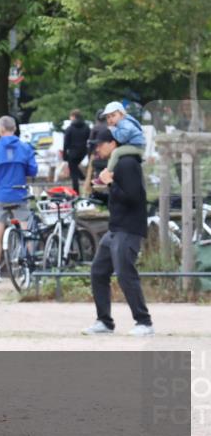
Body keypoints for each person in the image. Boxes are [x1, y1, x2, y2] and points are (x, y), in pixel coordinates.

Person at [83, 129, 153, 336]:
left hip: (129, 229)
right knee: (98, 272)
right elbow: (118, 197)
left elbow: (133, 198)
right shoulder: (116, 164)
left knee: (125, 274)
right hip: (115, 229)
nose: (97, 148)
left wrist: (110, 182)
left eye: (100, 144)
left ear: (113, 143)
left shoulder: (128, 164)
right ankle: (104, 322)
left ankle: (144, 322)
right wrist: (99, 194)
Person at [0, 116, 39, 283]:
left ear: (0, 129)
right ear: (15, 128)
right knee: (27, 231)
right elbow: (33, 171)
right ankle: (29, 269)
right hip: (19, 194)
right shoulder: (25, 147)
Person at [100, 101, 146, 172]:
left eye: (113, 115)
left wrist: (113, 129)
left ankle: (108, 173)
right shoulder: (123, 122)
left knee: (116, 152)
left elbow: (122, 138)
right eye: (108, 117)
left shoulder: (124, 123)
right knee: (114, 153)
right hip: (135, 145)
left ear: (122, 115)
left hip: (137, 147)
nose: (110, 119)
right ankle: (110, 170)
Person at [62, 109, 90, 196]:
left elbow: (66, 143)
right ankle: (83, 177)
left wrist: (64, 154)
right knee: (74, 166)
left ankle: (76, 193)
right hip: (83, 152)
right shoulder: (86, 127)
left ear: (73, 117)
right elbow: (89, 138)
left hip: (73, 153)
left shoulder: (70, 129)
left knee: (73, 173)